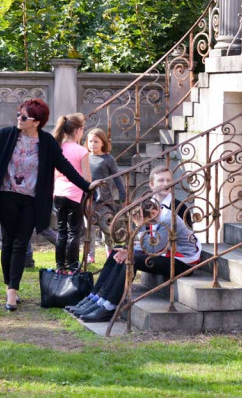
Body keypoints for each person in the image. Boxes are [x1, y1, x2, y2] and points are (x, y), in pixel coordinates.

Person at [0, 98, 95, 312]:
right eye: (18, 114)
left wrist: (87, 185)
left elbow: (65, 167)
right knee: (8, 243)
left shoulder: (47, 142)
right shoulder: (7, 135)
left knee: (21, 243)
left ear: (36, 122)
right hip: (6, 197)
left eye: (23, 116)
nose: (18, 119)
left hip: (32, 201)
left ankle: (12, 290)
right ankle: (9, 284)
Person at [66, 197, 202, 323]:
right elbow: (151, 246)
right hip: (165, 253)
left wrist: (140, 228)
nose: (142, 224)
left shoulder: (168, 220)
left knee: (132, 258)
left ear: (154, 212)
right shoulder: (157, 214)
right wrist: (126, 249)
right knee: (118, 250)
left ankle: (110, 306)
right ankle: (96, 298)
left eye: (142, 221)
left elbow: (151, 249)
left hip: (183, 262)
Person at [52, 113, 91, 271]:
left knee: (61, 231)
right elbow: (87, 178)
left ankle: (60, 265)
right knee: (74, 232)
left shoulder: (57, 147)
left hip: (58, 192)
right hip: (74, 194)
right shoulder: (81, 151)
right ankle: (73, 265)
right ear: (78, 130)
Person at [86, 128, 125, 257]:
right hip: (88, 198)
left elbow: (118, 179)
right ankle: (90, 254)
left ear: (103, 142)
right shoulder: (84, 157)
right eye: (90, 141)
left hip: (104, 199)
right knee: (89, 227)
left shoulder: (108, 159)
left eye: (96, 141)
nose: (93, 144)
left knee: (106, 226)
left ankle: (109, 250)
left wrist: (122, 196)